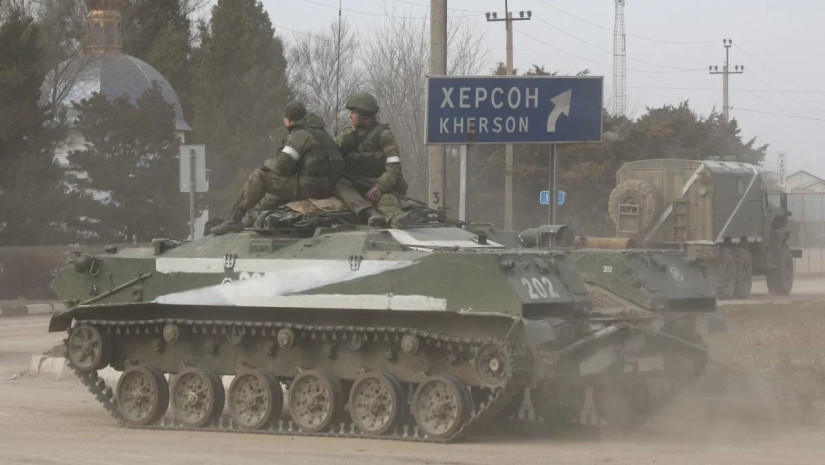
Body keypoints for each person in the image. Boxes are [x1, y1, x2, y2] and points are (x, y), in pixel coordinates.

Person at [209, 101, 344, 235]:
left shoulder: (300, 135)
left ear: (288, 119)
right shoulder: (321, 133)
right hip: (328, 186)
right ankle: (253, 218)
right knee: (274, 194)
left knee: (260, 176)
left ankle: (234, 219)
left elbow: (282, 167)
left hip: (310, 187)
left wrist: (267, 163)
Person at [334, 92, 409, 228]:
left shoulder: (384, 135)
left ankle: (394, 217)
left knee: (387, 199)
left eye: (353, 113)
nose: (350, 116)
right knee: (339, 185)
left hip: (379, 183)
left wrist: (379, 187)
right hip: (356, 183)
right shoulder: (346, 135)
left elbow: (394, 167)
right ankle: (369, 213)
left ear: (364, 116)